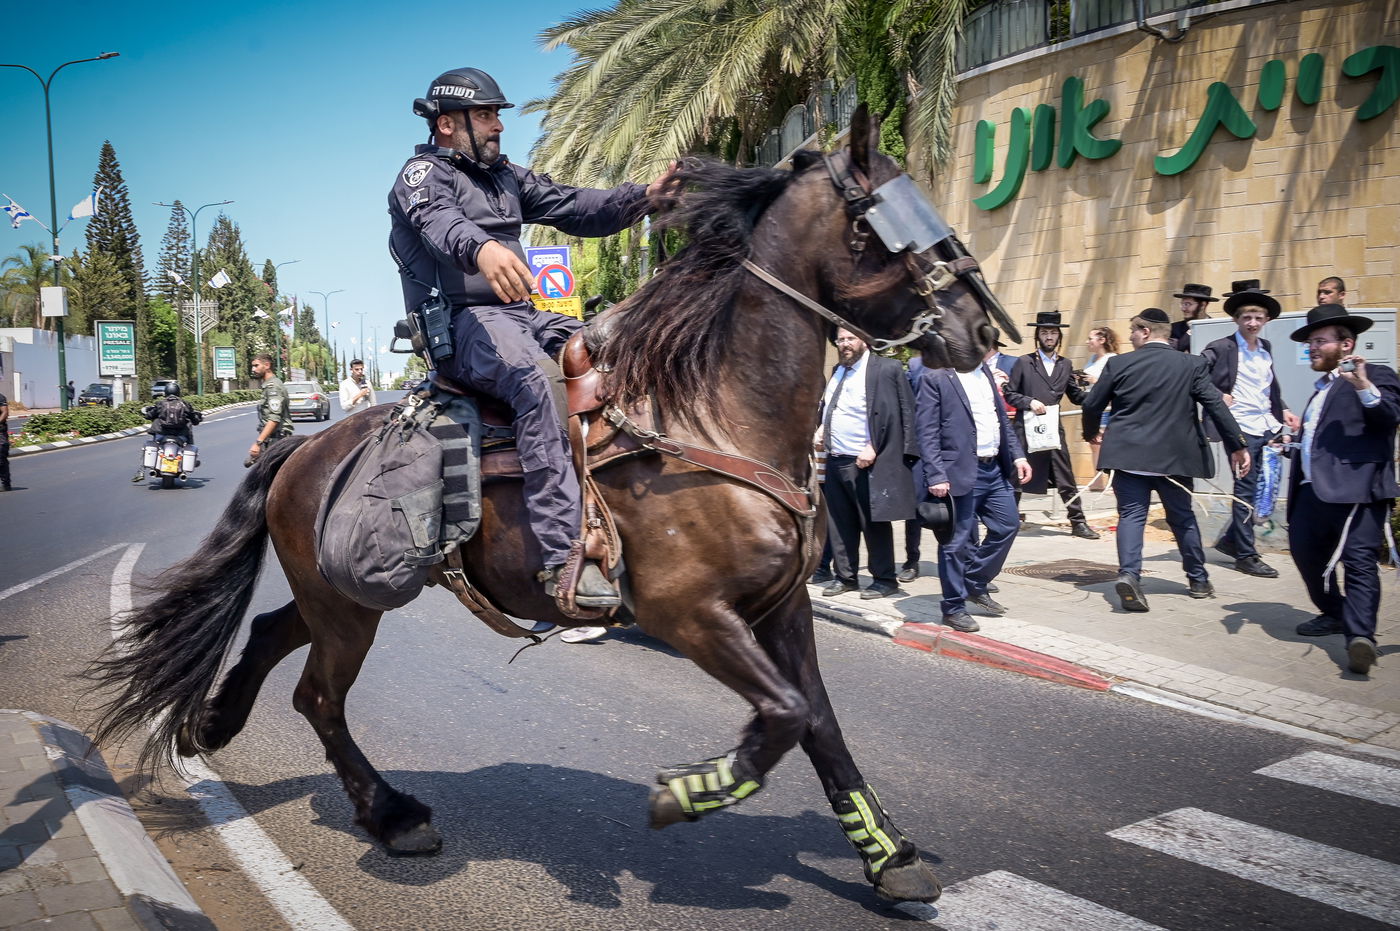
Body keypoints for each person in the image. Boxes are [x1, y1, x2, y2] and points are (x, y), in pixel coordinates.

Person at [388, 66, 676, 609]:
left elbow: (577, 207)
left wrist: (647, 195)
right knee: (538, 380)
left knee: (619, 352)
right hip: (464, 323)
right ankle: (562, 553)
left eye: (497, 113)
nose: (498, 125)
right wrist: (484, 250)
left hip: (524, 316)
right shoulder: (421, 176)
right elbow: (442, 225)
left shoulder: (506, 177)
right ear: (447, 124)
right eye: (485, 114)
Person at [1081, 308, 1249, 612]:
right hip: (1175, 460)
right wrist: (1237, 445)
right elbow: (1215, 404)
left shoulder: (1119, 364)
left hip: (1129, 457)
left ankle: (1130, 576)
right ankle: (1198, 579)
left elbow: (1092, 403)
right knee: (1182, 518)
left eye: (1133, 329)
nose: (1130, 335)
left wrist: (1091, 433)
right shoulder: (1191, 364)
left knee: (1131, 516)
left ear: (1145, 331)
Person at [1286, 304, 1399, 676]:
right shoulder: (1319, 390)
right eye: (1311, 342)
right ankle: (1335, 613)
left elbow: (1389, 417)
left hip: (1358, 492)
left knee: (1359, 564)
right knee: (1307, 557)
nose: (1312, 348)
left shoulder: (1378, 375)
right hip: (1310, 492)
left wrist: (1364, 386)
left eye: (1320, 341)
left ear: (1346, 344)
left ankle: (1359, 639)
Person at [915, 348, 1031, 632]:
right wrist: (936, 474)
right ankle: (953, 607)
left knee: (1007, 525)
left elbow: (1001, 421)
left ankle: (974, 582)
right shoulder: (937, 378)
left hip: (994, 470)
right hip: (957, 473)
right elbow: (926, 429)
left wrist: (1018, 456)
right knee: (955, 543)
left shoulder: (987, 376)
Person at [1199, 282, 1297, 578]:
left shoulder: (1265, 349)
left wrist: (1285, 408)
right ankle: (1246, 554)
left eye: (1259, 318)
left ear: (1266, 320)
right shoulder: (1221, 347)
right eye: (1247, 318)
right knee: (1245, 487)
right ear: (1236, 320)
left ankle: (1231, 541)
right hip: (1239, 427)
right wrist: (1217, 396)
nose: (1253, 323)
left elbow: (1265, 387)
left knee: (1264, 486)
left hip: (1267, 424)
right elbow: (1194, 375)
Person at [817, 329, 919, 600]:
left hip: (867, 461)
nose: (844, 344)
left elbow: (900, 413)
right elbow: (833, 407)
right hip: (836, 458)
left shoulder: (887, 369)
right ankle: (845, 577)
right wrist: (821, 430)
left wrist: (874, 446)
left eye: (850, 338)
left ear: (864, 340)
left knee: (873, 524)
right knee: (840, 524)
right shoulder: (839, 369)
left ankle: (884, 579)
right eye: (840, 340)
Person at [1003, 311, 1099, 539]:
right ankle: (1008, 520)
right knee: (1016, 474)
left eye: (1053, 332)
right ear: (1038, 336)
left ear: (1059, 337)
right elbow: (1010, 394)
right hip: (1026, 427)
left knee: (1064, 474)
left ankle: (1078, 522)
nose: (1049, 336)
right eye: (1044, 332)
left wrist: (1100, 393)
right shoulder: (1024, 362)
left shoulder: (1065, 364)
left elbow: (1076, 396)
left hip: (1052, 428)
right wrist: (1029, 401)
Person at [133, 383, 203, 482]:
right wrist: (197, 417)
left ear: (166, 392)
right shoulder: (185, 404)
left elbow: (149, 416)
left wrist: (146, 412)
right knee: (189, 444)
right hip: (181, 436)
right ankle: (191, 462)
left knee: (154, 445)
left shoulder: (161, 403)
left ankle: (142, 469)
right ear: (178, 392)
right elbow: (195, 420)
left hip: (161, 435)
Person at [1080, 326, 1119, 488]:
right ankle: (1097, 481)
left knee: (1106, 444)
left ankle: (1111, 482)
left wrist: (1094, 380)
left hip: (1106, 406)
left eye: (1091, 338)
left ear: (1102, 340)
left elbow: (1113, 383)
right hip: (1092, 405)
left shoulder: (1112, 359)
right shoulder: (1092, 359)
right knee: (1094, 444)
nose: (1087, 342)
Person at [248, 354, 291, 463]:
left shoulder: (273, 387)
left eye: (256, 365)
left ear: (267, 365)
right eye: (252, 366)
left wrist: (258, 443)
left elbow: (274, 419)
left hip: (277, 441)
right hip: (272, 439)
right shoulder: (268, 385)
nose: (253, 369)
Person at [1170, 283, 1218, 352]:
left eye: (1187, 304)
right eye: (1182, 304)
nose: (1183, 308)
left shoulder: (1216, 327)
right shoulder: (1174, 329)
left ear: (1202, 305)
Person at [0, 391, 10, 491]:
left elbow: (5, 412)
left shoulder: (0, 397)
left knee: (1, 458)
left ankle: (6, 483)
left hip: (0, 432)